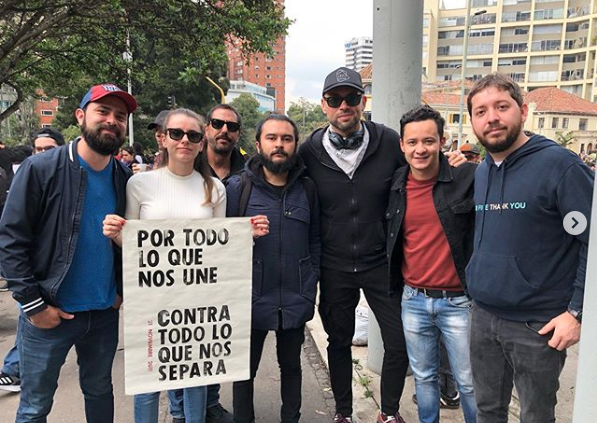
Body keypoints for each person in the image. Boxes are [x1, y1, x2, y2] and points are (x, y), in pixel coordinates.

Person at [102, 108, 268, 423]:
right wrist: (116, 234)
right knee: (148, 383)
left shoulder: (214, 188)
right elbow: (134, 242)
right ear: (162, 138)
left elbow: (219, 245)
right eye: (177, 133)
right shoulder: (139, 185)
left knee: (196, 381)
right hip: (151, 301)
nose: (185, 141)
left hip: (197, 302)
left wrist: (247, 235)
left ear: (200, 139)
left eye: (192, 135)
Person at [0, 83, 136, 423]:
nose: (112, 121)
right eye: (103, 112)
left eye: (120, 116)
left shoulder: (123, 176)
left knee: (100, 392)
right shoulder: (41, 169)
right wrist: (33, 305)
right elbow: (11, 239)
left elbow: (130, 242)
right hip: (50, 312)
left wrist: (119, 292)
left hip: (104, 313)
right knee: (34, 406)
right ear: (80, 116)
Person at [465, 72, 593, 423]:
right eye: (480, 111)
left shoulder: (560, 166)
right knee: (488, 411)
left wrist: (577, 313)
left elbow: (591, 242)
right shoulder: (483, 170)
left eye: (501, 107)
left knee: (535, 416)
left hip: (537, 325)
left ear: (522, 110)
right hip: (483, 316)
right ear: (473, 121)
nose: (491, 117)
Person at [298, 66, 411, 423]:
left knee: (397, 343)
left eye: (351, 98)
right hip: (334, 264)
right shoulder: (309, 151)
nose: (344, 105)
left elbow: (424, 169)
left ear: (363, 101)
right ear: (324, 106)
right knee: (338, 342)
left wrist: (455, 164)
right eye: (335, 99)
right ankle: (343, 413)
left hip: (382, 262)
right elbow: (275, 174)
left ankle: (389, 413)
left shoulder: (389, 142)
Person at [226, 114, 320, 423]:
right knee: (245, 371)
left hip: (295, 297)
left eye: (286, 139)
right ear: (257, 144)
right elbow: (219, 244)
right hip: (250, 297)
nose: (279, 145)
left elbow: (315, 239)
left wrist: (310, 281)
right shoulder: (237, 189)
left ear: (295, 145)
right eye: (272, 138)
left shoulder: (307, 189)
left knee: (292, 368)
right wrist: (244, 233)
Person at [386, 105, 477, 423]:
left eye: (428, 141)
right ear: (402, 145)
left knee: (468, 383)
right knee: (424, 379)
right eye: (412, 142)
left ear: (442, 141)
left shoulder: (467, 176)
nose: (420, 149)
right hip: (413, 300)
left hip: (459, 302)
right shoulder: (396, 184)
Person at [0, 127, 66, 392]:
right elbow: (11, 236)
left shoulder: (72, 180)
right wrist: (27, 294)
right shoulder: (25, 178)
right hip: (32, 279)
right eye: (37, 149)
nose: (41, 155)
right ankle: (15, 370)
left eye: (48, 150)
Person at [204, 104, 245, 183]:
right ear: (206, 130)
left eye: (232, 126)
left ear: (239, 134)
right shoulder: (190, 166)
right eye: (217, 123)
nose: (224, 130)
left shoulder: (249, 174)